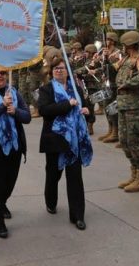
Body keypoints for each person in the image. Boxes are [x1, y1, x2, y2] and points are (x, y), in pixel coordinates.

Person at [38, 57, 92, 230]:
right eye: (55, 68)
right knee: (53, 175)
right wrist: (67, 105)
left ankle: (78, 216)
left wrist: (87, 111)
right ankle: (51, 201)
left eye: (62, 68)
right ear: (52, 71)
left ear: (67, 71)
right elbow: (44, 110)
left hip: (74, 140)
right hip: (55, 139)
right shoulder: (46, 89)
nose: (59, 71)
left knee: (75, 177)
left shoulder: (76, 88)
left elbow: (87, 108)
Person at [0, 68, 31, 239]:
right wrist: (2, 106)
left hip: (15, 147)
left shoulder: (14, 92)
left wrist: (15, 111)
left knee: (9, 183)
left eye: (2, 72)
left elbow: (27, 117)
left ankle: (1, 204)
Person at [112, 31, 139, 192]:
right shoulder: (126, 59)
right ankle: (134, 173)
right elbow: (112, 68)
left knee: (134, 140)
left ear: (129, 44)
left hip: (135, 106)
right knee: (124, 140)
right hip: (123, 105)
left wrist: (128, 83)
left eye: (124, 44)